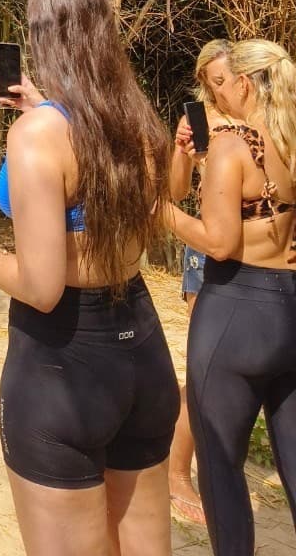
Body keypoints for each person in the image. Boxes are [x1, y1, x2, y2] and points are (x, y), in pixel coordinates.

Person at [0, 0, 179, 556]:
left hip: (62, 368)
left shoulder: (35, 137)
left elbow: (42, 287)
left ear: (42, 36)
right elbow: (134, 224)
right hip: (143, 354)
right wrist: (49, 103)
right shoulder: (140, 122)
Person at [164, 39, 296, 555]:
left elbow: (219, 242)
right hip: (289, 311)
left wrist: (156, 209)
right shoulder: (287, 137)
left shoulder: (231, 148)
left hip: (237, 311)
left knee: (220, 468)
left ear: (243, 82)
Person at [168, 38, 232, 526]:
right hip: (205, 250)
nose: (224, 87)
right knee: (204, 367)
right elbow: (175, 193)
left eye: (228, 77)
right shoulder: (199, 122)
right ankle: (177, 472)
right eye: (214, 81)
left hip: (260, 256)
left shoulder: (266, 120)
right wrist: (183, 151)